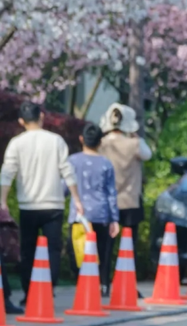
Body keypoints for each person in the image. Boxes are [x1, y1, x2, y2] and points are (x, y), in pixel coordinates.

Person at [0, 101, 83, 301]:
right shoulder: (56, 141)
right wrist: (77, 199)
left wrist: (3, 200)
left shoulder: (17, 143)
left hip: (28, 205)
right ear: (42, 117)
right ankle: (48, 289)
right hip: (53, 204)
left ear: (21, 121)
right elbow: (68, 172)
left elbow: (7, 174)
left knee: (27, 250)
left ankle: (29, 293)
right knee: (53, 249)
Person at [67, 123, 120, 297]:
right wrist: (114, 219)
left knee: (78, 252)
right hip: (101, 213)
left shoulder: (72, 161)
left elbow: (65, 187)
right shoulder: (106, 164)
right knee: (103, 253)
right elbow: (111, 193)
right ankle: (103, 286)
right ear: (100, 142)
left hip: (79, 215)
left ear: (81, 139)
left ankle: (83, 285)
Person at [98, 104, 152, 275]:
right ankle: (128, 279)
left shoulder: (102, 144)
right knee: (129, 245)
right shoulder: (135, 144)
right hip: (130, 200)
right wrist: (136, 136)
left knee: (106, 245)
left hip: (108, 201)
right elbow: (148, 154)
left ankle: (104, 280)